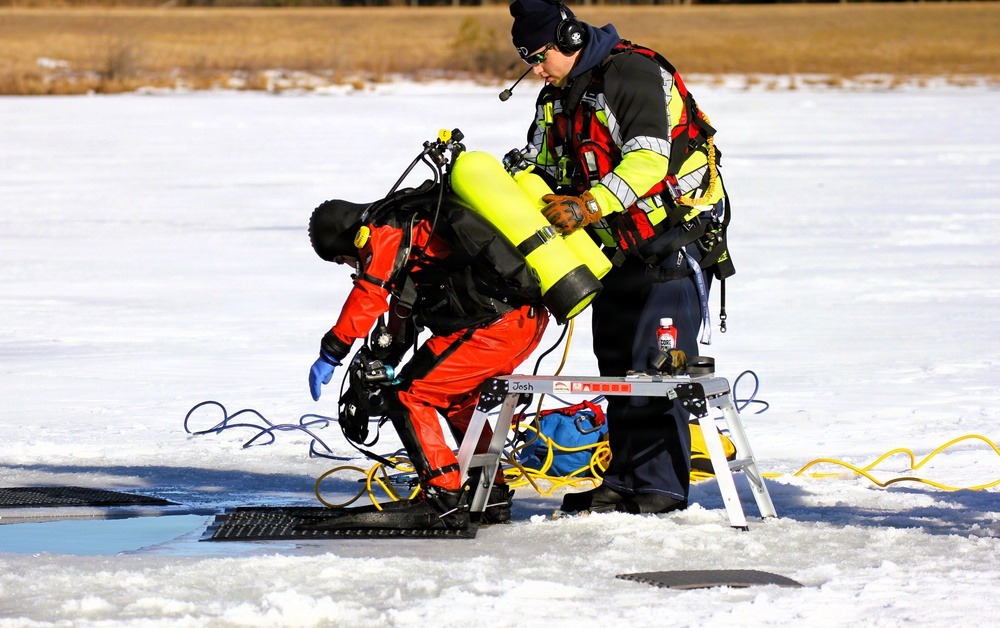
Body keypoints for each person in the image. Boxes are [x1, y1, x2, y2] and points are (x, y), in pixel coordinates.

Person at [508, 0, 735, 515]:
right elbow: (545, 160)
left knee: (654, 369)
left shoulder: (631, 72)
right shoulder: (559, 96)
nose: (537, 70)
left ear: (568, 39)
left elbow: (649, 159)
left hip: (670, 241)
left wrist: (588, 204)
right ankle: (625, 479)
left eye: (540, 57)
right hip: (610, 246)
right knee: (615, 366)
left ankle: (661, 487)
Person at [306, 189, 549, 530]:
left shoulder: (384, 230)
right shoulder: (412, 227)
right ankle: (488, 492)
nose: (348, 264)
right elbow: (400, 314)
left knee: (409, 395)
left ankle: (443, 496)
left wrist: (333, 350)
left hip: (494, 327)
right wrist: (379, 359)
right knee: (454, 398)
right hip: (516, 320)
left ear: (344, 241)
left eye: (340, 259)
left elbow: (371, 290)